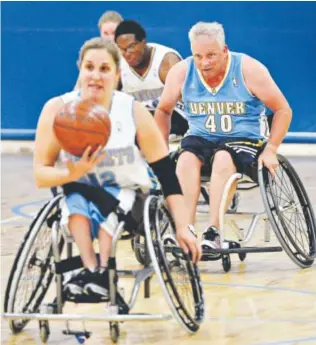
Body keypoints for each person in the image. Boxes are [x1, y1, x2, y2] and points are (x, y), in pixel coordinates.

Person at [34, 37, 201, 300]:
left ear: (117, 73)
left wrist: (182, 226)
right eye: (89, 67)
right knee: (75, 203)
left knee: (109, 205)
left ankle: (99, 272)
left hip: (130, 199)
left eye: (104, 69)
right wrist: (73, 172)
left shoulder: (133, 112)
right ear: (80, 70)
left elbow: (168, 176)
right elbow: (40, 175)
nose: (95, 76)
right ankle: (93, 271)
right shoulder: (58, 109)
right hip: (78, 192)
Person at [154, 22, 292, 256]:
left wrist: (271, 149)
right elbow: (163, 110)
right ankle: (185, 230)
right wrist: (161, 150)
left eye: (211, 55)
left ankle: (213, 232)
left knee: (223, 158)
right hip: (200, 137)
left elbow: (283, 110)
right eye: (198, 56)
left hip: (244, 139)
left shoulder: (248, 69)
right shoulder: (182, 72)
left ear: (225, 50)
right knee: (185, 159)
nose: (204, 62)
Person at [114, 20, 189, 139]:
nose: (126, 53)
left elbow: (188, 101)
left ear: (143, 42)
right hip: (140, 125)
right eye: (121, 49)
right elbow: (108, 103)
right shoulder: (118, 66)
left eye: (131, 47)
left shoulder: (166, 61)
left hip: (175, 122)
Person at [73, 10, 123, 90]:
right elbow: (77, 93)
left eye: (114, 33)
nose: (110, 38)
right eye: (105, 33)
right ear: (100, 33)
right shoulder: (93, 59)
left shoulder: (132, 60)